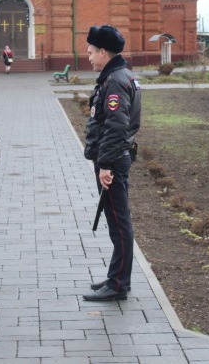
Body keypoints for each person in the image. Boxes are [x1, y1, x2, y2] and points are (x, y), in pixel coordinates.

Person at [82, 25, 141, 301]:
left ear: (103, 52)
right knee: (117, 222)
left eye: (91, 52)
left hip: (113, 162)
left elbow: (116, 128)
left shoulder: (115, 81)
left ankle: (118, 284)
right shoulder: (118, 76)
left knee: (119, 223)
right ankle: (116, 277)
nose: (89, 56)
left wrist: (105, 165)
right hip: (114, 159)